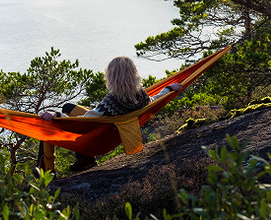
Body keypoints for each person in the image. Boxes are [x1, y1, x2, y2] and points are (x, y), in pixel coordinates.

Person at [38, 56, 182, 173]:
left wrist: (56, 115)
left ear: (112, 77)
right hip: (112, 132)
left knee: (47, 126)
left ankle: (46, 171)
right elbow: (154, 100)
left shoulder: (111, 102)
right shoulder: (141, 96)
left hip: (97, 139)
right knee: (68, 107)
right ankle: (85, 160)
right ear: (134, 75)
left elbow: (83, 122)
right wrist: (168, 89)